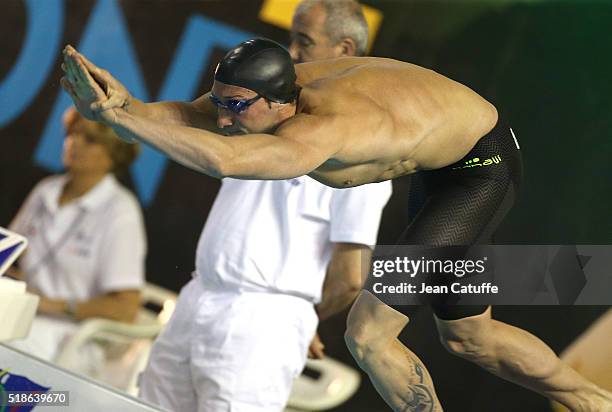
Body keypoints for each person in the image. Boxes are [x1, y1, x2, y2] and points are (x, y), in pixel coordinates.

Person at [61, 31, 612, 411]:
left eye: (236, 109)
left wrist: (118, 122)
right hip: (446, 161)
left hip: (478, 175)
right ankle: (594, 400)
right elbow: (192, 115)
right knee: (471, 337)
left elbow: (220, 159)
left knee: (369, 336)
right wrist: (125, 107)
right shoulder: (268, 91)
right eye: (222, 103)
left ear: (280, 106)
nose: (224, 119)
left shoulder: (321, 132)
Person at [137, 2, 391, 411]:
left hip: (263, 324)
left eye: (304, 41)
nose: (291, 52)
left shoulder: (362, 148)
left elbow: (349, 276)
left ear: (345, 50)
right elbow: (191, 118)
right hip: (197, 297)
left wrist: (300, 316)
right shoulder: (258, 112)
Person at [8, 108, 146, 363]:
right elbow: (10, 258)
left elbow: (126, 308)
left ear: (114, 154)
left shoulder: (120, 211)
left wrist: (54, 304)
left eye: (90, 139)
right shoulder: (45, 190)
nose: (74, 143)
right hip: (19, 312)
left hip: (71, 334)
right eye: (73, 133)